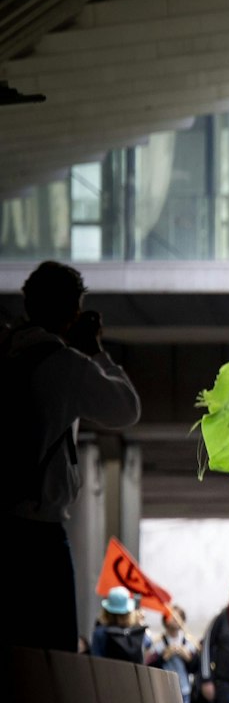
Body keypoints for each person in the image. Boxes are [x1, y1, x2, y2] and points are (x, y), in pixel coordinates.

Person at [5, 261, 141, 652]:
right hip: (38, 532)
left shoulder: (6, 350)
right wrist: (93, 351)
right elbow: (125, 408)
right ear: (72, 311)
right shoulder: (62, 364)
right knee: (53, 650)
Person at [148, 605, 197, 703]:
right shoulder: (158, 642)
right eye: (171, 616)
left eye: (178, 617)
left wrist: (186, 656)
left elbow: (196, 667)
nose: (174, 619)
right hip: (164, 690)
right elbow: (149, 665)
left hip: (184, 690)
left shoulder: (188, 641)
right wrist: (164, 656)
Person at [90, 587, 148, 663]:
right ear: (129, 612)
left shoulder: (100, 633)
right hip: (131, 674)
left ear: (106, 610)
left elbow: (95, 660)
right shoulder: (136, 634)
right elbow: (148, 643)